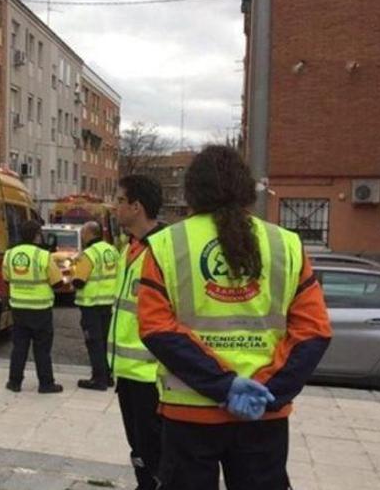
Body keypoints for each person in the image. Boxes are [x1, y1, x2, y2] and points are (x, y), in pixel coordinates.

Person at [137, 145, 332, 490]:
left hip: (190, 411)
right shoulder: (285, 244)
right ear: (246, 189)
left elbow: (156, 328)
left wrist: (223, 386)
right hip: (263, 412)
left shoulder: (167, 244)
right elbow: (314, 331)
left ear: (192, 191)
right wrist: (270, 391)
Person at [107, 175, 165, 490]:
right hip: (128, 373)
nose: (115, 207)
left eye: (119, 200)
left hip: (150, 376)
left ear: (136, 206)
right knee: (139, 452)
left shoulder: (161, 250)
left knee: (155, 452)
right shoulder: (130, 248)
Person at [3, 220, 65, 394]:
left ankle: (14, 382)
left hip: (18, 308)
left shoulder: (9, 254)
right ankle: (46, 384)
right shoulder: (44, 256)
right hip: (40, 309)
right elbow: (58, 282)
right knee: (42, 349)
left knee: (19, 347)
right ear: (37, 235)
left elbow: (6, 279)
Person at [71, 221, 120, 390]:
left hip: (91, 304)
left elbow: (78, 281)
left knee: (94, 342)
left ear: (89, 234)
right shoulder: (112, 250)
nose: (82, 237)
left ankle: (98, 379)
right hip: (109, 303)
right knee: (106, 341)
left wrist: (73, 270)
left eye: (83, 233)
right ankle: (107, 376)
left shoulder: (89, 254)